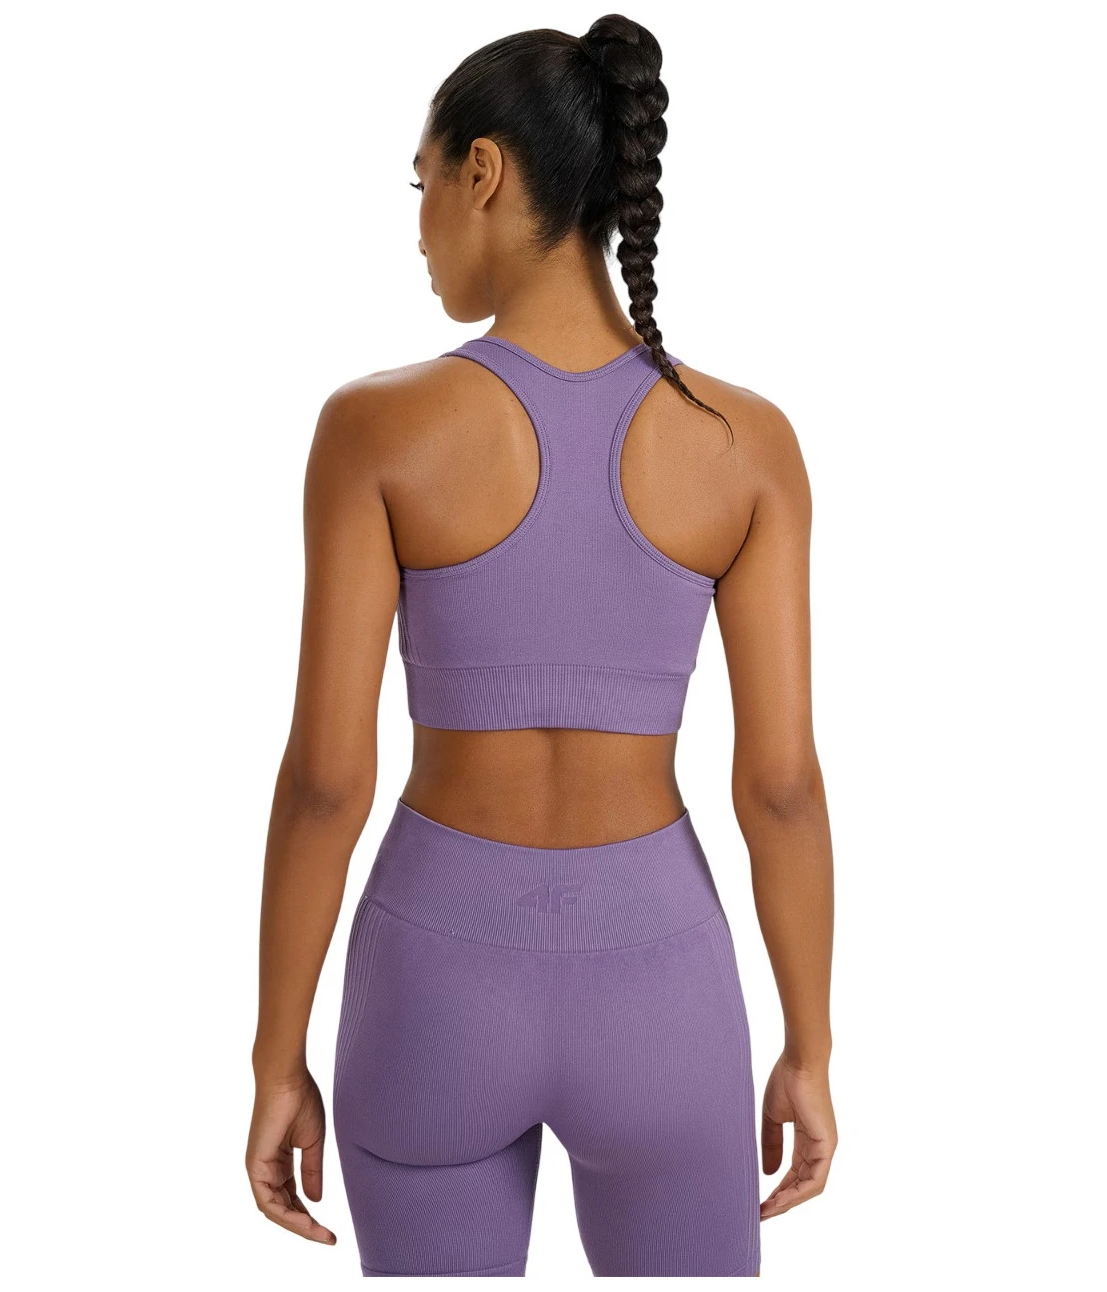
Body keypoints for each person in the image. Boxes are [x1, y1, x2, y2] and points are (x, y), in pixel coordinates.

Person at [245, 13, 836, 1278]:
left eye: (419, 184)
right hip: (658, 985)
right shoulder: (744, 443)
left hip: (431, 981)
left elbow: (326, 782)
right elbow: (780, 785)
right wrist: (809, 1043)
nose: (416, 228)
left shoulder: (374, 429)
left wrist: (273, 1053)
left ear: (483, 172)